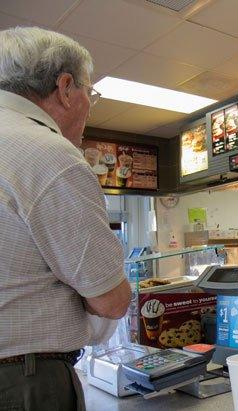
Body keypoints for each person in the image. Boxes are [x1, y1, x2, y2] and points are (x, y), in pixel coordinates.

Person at [0, 27, 131, 410]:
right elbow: (111, 300)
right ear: (65, 87)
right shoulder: (46, 152)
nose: (90, 105)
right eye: (91, 94)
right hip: (23, 382)